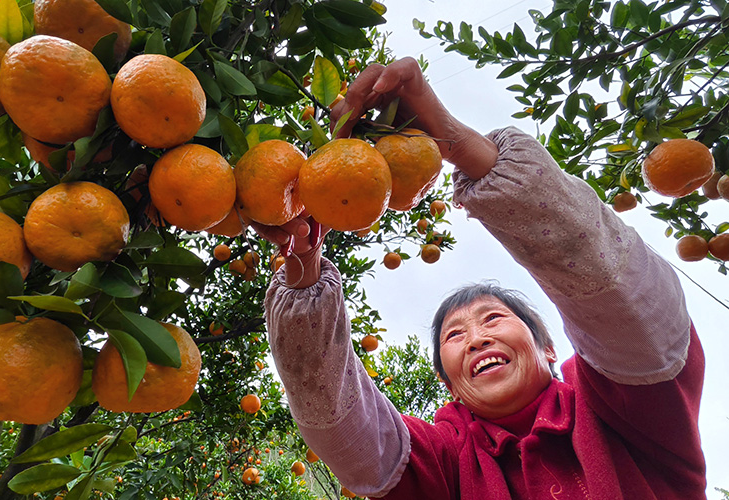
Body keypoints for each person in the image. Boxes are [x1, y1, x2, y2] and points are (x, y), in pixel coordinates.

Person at [254, 58, 707, 499]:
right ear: (449, 385)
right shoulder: (446, 459)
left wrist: (455, 140)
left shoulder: (621, 408)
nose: (476, 339)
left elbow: (631, 307)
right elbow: (344, 432)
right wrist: (302, 261)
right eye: (455, 335)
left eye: (492, 318)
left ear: (548, 348)